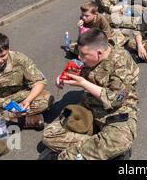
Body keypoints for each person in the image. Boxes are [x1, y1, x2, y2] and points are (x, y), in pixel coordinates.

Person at [42, 29, 139, 160]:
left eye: (83, 55)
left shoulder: (121, 61)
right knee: (49, 135)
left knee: (119, 140)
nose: (79, 58)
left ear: (99, 53)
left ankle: (71, 155)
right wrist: (63, 77)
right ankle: (101, 147)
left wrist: (83, 83)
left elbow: (116, 100)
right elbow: (76, 69)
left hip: (115, 112)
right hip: (90, 108)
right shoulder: (89, 54)